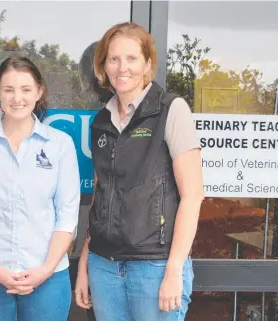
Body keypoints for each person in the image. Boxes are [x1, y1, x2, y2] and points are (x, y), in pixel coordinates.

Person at [75, 22, 204, 321]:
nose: (123, 67)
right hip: (104, 265)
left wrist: (174, 270)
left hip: (154, 266)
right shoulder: (100, 122)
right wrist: (85, 263)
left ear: (148, 64)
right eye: (114, 59)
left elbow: (193, 195)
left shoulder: (171, 110)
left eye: (132, 58)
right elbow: (100, 195)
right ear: (104, 66)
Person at [0, 56, 81, 321]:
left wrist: (45, 270)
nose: (17, 98)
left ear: (39, 91)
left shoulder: (60, 144)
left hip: (47, 278)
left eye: (25, 89)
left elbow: (67, 215)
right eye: (8, 89)